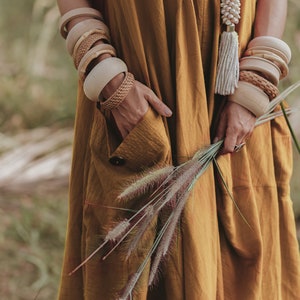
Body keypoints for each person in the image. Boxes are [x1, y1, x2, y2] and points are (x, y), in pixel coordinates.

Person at [57, 0, 300, 299]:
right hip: (136, 74)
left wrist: (259, 77)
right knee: (133, 262)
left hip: (235, 89)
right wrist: (105, 74)